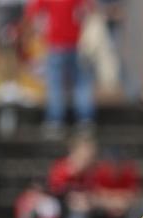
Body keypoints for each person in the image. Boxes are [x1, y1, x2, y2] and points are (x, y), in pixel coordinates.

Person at [23, 0, 95, 136]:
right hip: (74, 42)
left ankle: (55, 121)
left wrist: (41, 32)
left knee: (56, 85)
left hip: (56, 43)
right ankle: (85, 119)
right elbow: (87, 10)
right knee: (80, 83)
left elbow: (33, 13)